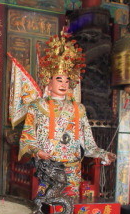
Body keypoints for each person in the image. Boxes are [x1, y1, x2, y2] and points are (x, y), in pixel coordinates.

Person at [19, 31, 115, 197]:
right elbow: (27, 137)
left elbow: (88, 143)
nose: (63, 84)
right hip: (48, 166)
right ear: (48, 81)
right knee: (46, 204)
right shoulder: (38, 106)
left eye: (66, 80)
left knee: (68, 204)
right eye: (59, 79)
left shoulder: (79, 109)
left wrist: (103, 154)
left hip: (73, 167)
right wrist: (38, 152)